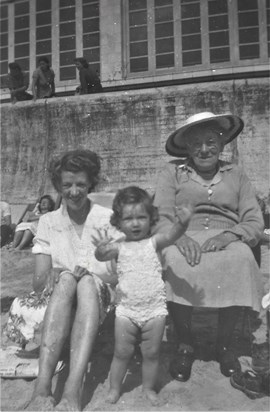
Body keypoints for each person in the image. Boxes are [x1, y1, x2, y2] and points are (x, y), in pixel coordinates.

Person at [153, 111, 264, 382]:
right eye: (196, 143)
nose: (204, 149)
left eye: (211, 142)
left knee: (240, 259)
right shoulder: (172, 171)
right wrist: (179, 237)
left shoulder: (236, 173)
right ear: (187, 147)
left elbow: (253, 219)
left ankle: (224, 345)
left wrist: (230, 235)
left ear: (223, 143)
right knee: (177, 261)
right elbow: (160, 214)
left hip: (227, 237)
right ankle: (185, 343)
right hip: (182, 234)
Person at [24, 149, 122, 412]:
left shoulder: (107, 218)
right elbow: (39, 283)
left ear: (91, 183)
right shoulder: (48, 221)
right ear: (58, 186)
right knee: (66, 278)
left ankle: (72, 389)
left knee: (87, 282)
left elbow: (116, 275)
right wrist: (54, 273)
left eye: (81, 184)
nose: (74, 191)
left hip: (97, 297)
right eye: (67, 185)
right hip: (60, 299)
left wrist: (90, 272)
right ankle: (42, 388)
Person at [93, 186, 193, 405]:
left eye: (141, 217)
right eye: (128, 218)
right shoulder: (119, 247)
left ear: (151, 219)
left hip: (154, 310)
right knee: (121, 352)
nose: (135, 223)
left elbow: (171, 235)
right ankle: (114, 388)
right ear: (118, 223)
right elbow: (101, 256)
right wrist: (100, 248)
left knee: (152, 353)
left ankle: (148, 388)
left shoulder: (154, 242)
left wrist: (182, 223)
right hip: (127, 311)